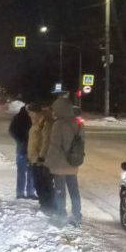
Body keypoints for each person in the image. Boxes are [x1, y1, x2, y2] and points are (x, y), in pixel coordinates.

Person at [44, 94, 84, 226]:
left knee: (60, 190)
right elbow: (81, 142)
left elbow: (54, 145)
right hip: (73, 161)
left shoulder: (58, 124)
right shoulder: (78, 124)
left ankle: (61, 214)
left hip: (59, 162)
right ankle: (77, 215)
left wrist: (47, 162)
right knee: (74, 189)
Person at [28, 103, 54, 211]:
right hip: (34, 158)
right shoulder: (36, 122)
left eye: (30, 112)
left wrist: (41, 157)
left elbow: (46, 141)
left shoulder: (45, 122)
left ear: (36, 112)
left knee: (44, 184)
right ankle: (44, 204)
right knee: (38, 184)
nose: (29, 114)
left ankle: (48, 206)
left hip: (41, 160)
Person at [8, 101, 34, 198]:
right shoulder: (19, 117)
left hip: (32, 150)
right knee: (22, 172)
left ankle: (30, 192)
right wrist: (20, 140)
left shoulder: (35, 117)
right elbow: (12, 131)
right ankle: (20, 193)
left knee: (31, 172)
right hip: (22, 149)